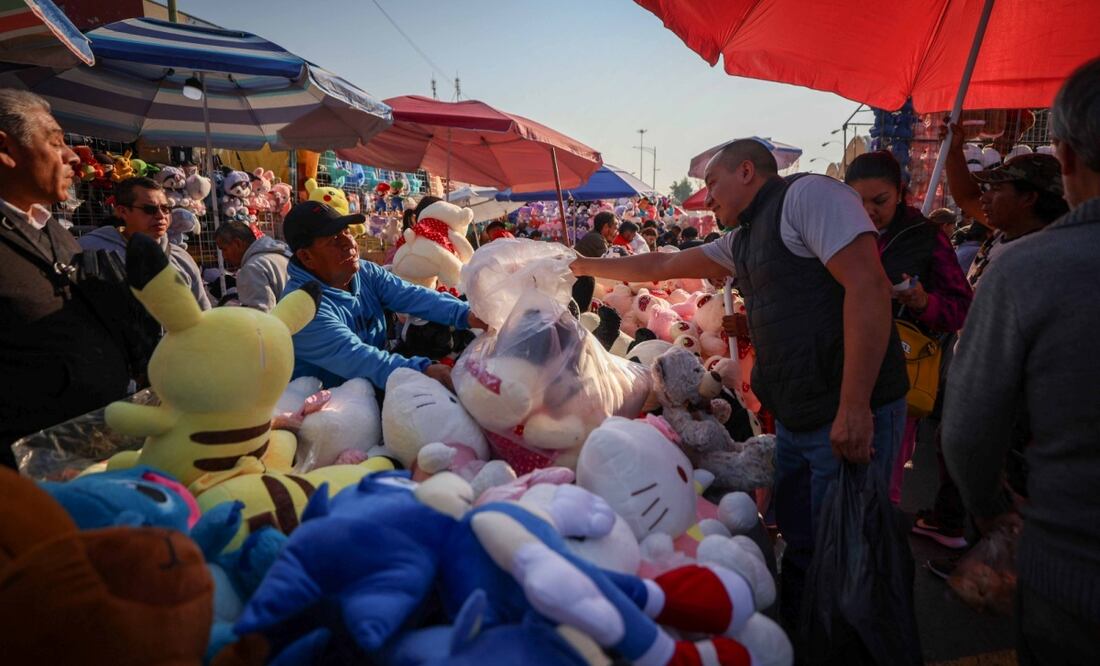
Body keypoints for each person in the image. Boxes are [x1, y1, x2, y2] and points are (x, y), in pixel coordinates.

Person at [571, 138, 908, 633]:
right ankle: (805, 643)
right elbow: (664, 265)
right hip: (799, 418)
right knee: (804, 543)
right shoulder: (743, 240)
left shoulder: (809, 198)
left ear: (747, 171)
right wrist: (580, 266)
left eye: (712, 184)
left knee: (853, 560)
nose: (707, 199)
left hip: (850, 411)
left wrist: (855, 406)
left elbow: (869, 286)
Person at [943, 57, 1100, 665]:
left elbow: (967, 426)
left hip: (1070, 576)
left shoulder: (1030, 269)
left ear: (1065, 156)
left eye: (999, 187)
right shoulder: (1013, 254)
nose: (985, 198)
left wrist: (991, 512)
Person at [0, 90, 132, 468]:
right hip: (24, 476)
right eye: (55, 142)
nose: (73, 155)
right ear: (5, 150)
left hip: (89, 448)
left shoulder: (50, 228)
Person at [844, 151, 972, 506]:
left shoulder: (926, 236)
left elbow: (961, 307)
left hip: (897, 378)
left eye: (879, 200)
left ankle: (878, 556)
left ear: (901, 192)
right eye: (858, 201)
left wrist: (921, 301)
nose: (868, 210)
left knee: (881, 488)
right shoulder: (839, 230)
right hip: (841, 371)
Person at [281, 201, 484, 392]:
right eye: (334, 240)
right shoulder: (302, 308)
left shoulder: (364, 272)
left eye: (346, 232)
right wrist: (422, 369)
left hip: (375, 388)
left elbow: (411, 295)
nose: (348, 243)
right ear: (307, 257)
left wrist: (467, 314)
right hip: (326, 407)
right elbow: (358, 358)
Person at [79, 177, 211, 310]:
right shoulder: (90, 250)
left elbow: (203, 314)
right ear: (122, 211)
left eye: (165, 208)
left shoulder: (181, 258)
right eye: (149, 209)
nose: (160, 216)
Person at [213, 220, 291, 312]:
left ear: (237, 243)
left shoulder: (252, 269)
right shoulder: (279, 254)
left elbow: (260, 315)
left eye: (224, 249)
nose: (224, 256)